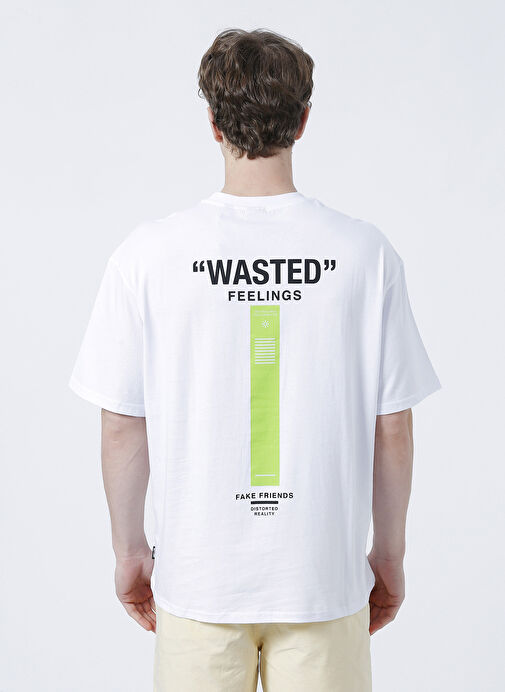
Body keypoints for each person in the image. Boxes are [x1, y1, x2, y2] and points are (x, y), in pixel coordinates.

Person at [68, 28, 441, 692]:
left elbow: (122, 423)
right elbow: (392, 426)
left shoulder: (149, 255)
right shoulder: (364, 254)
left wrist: (130, 552)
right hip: (322, 579)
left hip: (199, 581)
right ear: (303, 120)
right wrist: (388, 556)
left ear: (213, 124)